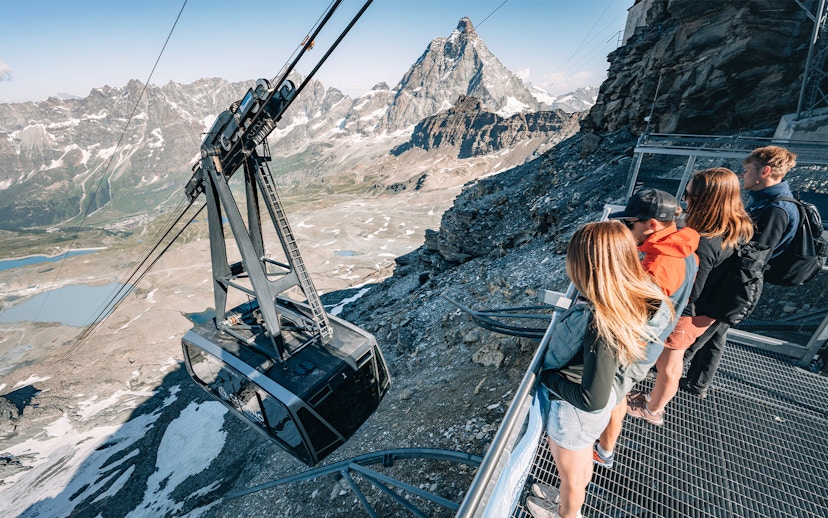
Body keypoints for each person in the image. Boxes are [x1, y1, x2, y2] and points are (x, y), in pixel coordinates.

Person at [526, 221, 673, 518]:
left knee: (572, 472)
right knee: (580, 463)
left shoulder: (604, 322)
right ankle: (569, 501)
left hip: (575, 412)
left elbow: (590, 398)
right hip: (603, 400)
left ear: (588, 268)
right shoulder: (648, 296)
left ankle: (567, 513)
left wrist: (547, 377)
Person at [627, 167, 754, 424]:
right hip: (710, 309)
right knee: (670, 365)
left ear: (706, 200)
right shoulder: (736, 228)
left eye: (690, 195)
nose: (686, 201)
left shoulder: (706, 241)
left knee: (669, 367)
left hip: (690, 314)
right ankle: (654, 402)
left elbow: (692, 290)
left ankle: (653, 410)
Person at [592, 189, 699, 468]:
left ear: (652, 225)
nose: (627, 229)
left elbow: (636, 314)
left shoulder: (659, 265)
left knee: (613, 395)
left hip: (636, 346)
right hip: (653, 339)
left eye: (631, 224)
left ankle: (603, 451)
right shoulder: (683, 249)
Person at [681, 147, 798, 396]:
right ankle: (697, 383)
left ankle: (665, 384)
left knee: (695, 336)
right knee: (715, 334)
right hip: (733, 282)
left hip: (734, 284)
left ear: (764, 171)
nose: (742, 176)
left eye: (747, 171)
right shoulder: (769, 203)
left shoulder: (775, 210)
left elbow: (755, 257)